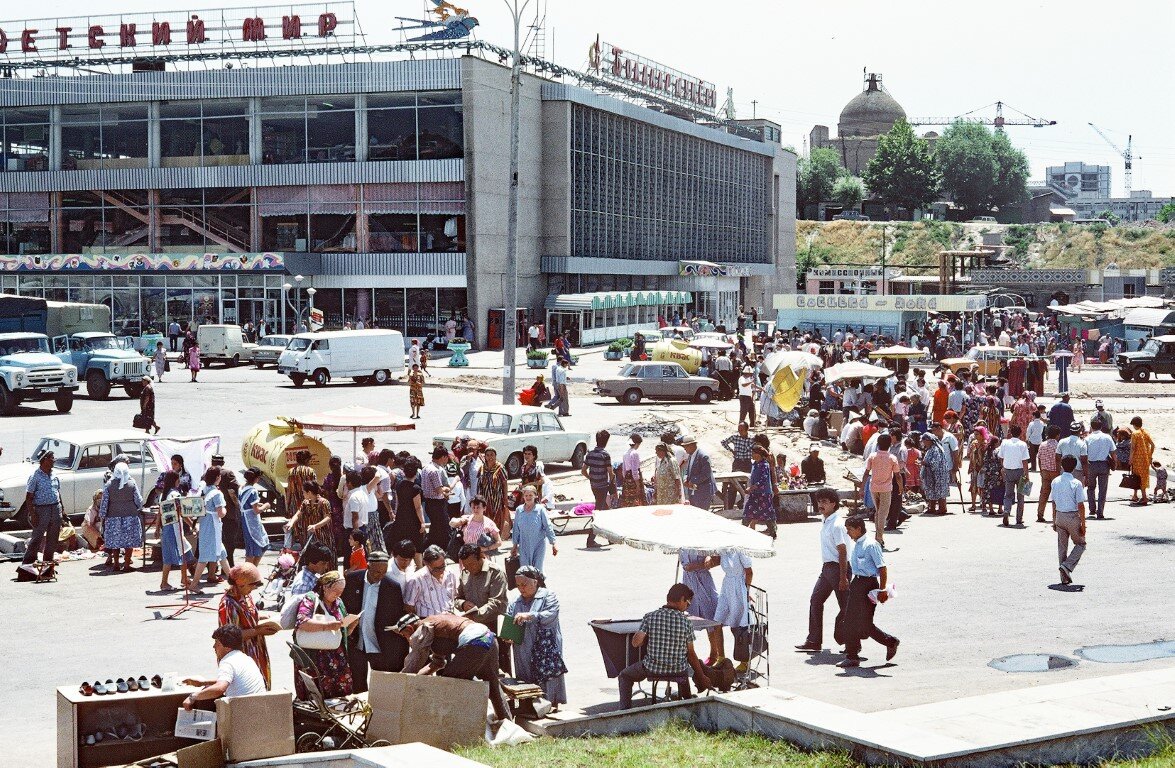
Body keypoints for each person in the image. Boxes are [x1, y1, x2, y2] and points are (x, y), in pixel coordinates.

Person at [393, 611, 512, 721]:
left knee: (450, 683)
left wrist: (401, 681)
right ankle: (508, 725)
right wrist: (415, 678)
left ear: (410, 628)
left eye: (405, 635)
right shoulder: (436, 624)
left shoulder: (423, 628)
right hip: (488, 637)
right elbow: (437, 664)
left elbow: (415, 660)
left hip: (475, 642)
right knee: (492, 685)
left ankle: (460, 724)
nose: (407, 639)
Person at [618, 584, 712, 709]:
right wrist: (701, 676)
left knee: (624, 676)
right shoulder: (686, 622)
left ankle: (624, 710)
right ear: (682, 599)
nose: (687, 606)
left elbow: (636, 643)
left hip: (652, 668)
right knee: (684, 672)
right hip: (678, 670)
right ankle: (687, 703)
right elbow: (691, 654)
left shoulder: (650, 617)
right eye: (688, 603)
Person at [341, 550, 409, 692]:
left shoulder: (392, 587)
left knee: (381, 686)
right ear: (368, 566)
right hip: (356, 643)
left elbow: (397, 615)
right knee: (358, 685)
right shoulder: (352, 580)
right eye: (377, 572)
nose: (380, 576)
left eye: (384, 573)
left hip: (379, 644)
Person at [836, 516, 899, 668]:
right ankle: (852, 656)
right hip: (857, 583)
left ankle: (890, 641)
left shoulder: (871, 545)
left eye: (850, 530)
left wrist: (882, 590)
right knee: (850, 620)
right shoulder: (856, 544)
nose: (848, 533)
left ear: (858, 529)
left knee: (864, 624)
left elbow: (882, 569)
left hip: (869, 585)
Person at [796, 488, 851, 653]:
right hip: (827, 569)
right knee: (815, 600)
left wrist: (843, 578)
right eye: (819, 501)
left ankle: (852, 644)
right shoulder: (826, 520)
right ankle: (814, 640)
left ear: (833, 504)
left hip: (839, 568)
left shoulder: (837, 524)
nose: (821, 505)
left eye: (825, 502)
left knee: (846, 606)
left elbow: (843, 551)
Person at [505, 567, 567, 709]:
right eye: (518, 585)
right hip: (523, 648)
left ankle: (552, 705)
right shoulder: (515, 603)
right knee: (526, 678)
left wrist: (531, 615)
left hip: (546, 646)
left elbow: (551, 615)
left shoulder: (548, 596)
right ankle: (529, 708)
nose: (521, 589)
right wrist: (508, 636)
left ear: (535, 582)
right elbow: (509, 622)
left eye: (524, 585)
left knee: (549, 679)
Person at [293, 570, 356, 699]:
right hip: (314, 658)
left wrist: (351, 626)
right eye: (335, 591)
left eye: (341, 591)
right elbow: (302, 622)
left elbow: (342, 631)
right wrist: (327, 626)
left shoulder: (339, 603)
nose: (338, 594)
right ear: (325, 587)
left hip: (336, 659)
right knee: (315, 694)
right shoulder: (311, 599)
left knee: (339, 697)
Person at [218, 563, 276, 689]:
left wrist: (260, 617)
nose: (254, 588)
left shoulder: (246, 596)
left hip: (256, 649)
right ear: (240, 584)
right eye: (252, 585)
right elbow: (229, 637)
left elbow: (246, 616)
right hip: (241, 654)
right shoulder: (228, 604)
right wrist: (257, 631)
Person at [181, 625, 266, 710]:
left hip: (243, 714)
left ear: (227, 647)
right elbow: (231, 680)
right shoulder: (245, 658)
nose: (214, 647)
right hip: (260, 709)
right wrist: (203, 683)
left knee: (204, 698)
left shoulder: (228, 662)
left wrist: (192, 697)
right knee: (207, 689)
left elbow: (220, 688)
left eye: (217, 643)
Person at [455, 543, 509, 671]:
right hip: (473, 627)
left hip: (494, 625)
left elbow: (496, 602)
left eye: (472, 564)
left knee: (499, 668)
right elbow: (456, 598)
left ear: (481, 556)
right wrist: (462, 604)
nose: (470, 569)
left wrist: (475, 615)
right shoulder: (465, 572)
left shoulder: (495, 572)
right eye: (466, 566)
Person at [712, 548, 753, 672]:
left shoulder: (741, 550)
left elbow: (749, 572)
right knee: (717, 622)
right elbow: (715, 561)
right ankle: (721, 657)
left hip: (739, 586)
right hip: (726, 586)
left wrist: (746, 590)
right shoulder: (723, 549)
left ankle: (745, 660)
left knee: (738, 626)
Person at [191, 468, 232, 591]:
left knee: (222, 554)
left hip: (205, 524)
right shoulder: (217, 493)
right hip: (212, 526)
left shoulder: (204, 489)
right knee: (204, 558)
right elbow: (221, 513)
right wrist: (225, 510)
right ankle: (193, 584)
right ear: (217, 478)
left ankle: (233, 583)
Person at [99, 461, 144, 572]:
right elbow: (138, 500)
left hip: (113, 517)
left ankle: (116, 564)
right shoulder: (132, 483)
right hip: (130, 516)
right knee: (129, 541)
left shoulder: (109, 485)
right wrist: (137, 507)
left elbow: (104, 502)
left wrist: (102, 516)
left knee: (116, 541)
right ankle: (127, 564)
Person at [678, 549, 720, 662]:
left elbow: (718, 560)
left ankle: (714, 653)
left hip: (703, 581)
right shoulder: (680, 540)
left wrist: (700, 564)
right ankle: (687, 655)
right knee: (687, 617)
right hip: (688, 581)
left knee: (710, 616)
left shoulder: (704, 539)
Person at [1052, 455, 1087, 585]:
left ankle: (1064, 576)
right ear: (1074, 467)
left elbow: (1053, 502)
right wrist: (1083, 524)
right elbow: (1081, 505)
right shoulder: (1076, 483)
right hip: (1072, 517)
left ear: (1061, 465)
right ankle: (1067, 566)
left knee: (1062, 547)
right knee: (1081, 544)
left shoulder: (1055, 481)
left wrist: (1053, 520)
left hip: (1059, 515)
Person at [155, 472, 192, 591]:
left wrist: (156, 528)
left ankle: (182, 579)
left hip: (166, 527)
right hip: (175, 528)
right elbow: (181, 512)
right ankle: (167, 582)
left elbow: (159, 513)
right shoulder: (175, 494)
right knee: (181, 553)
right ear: (175, 480)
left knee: (174, 555)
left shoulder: (164, 495)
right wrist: (192, 524)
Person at [387, 457, 427, 565]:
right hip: (413, 521)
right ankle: (419, 568)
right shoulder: (415, 488)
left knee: (398, 546)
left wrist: (395, 514)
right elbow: (418, 507)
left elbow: (398, 503)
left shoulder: (399, 484)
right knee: (417, 549)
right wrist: (422, 522)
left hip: (401, 518)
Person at [863, 435, 900, 547]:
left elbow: (866, 473)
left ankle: (878, 537)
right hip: (886, 489)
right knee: (882, 513)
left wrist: (861, 488)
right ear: (890, 444)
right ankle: (879, 538)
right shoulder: (892, 458)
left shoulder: (872, 456)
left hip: (873, 487)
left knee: (879, 512)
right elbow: (897, 475)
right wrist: (901, 487)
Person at [405, 545, 458, 618]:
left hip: (450, 620)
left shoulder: (450, 574)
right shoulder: (416, 580)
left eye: (443, 566)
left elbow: (453, 598)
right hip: (428, 623)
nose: (441, 571)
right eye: (436, 569)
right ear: (426, 564)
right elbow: (409, 607)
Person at [511, 486, 557, 570]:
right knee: (525, 570)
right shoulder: (519, 510)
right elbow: (516, 530)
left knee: (537, 570)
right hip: (523, 545)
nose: (528, 497)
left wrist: (553, 543)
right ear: (523, 497)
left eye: (530, 495)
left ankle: (539, 583)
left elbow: (548, 526)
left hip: (538, 545)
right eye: (526, 495)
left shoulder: (540, 509)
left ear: (535, 496)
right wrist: (514, 546)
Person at [582, 430, 614, 547]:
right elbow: (611, 473)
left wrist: (591, 478)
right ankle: (590, 539)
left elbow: (583, 470)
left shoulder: (590, 453)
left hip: (594, 486)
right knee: (599, 512)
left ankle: (611, 537)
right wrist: (612, 486)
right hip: (603, 486)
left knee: (605, 510)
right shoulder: (605, 455)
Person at [233, 468, 271, 567]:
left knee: (254, 547)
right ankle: (249, 573)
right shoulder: (253, 491)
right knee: (255, 548)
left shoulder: (242, 488)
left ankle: (252, 571)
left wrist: (258, 504)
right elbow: (256, 510)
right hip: (252, 522)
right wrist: (266, 505)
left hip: (245, 519)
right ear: (256, 479)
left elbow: (248, 504)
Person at [996, 424, 1031, 527]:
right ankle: (1019, 519)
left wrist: (1003, 467)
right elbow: (1024, 461)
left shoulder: (1004, 443)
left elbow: (1001, 457)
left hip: (1008, 470)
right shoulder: (1023, 444)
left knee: (1008, 494)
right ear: (1020, 433)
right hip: (1020, 471)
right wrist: (1027, 474)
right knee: (1021, 496)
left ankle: (1006, 511)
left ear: (1010, 432)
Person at [421, 446, 454, 552]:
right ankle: (444, 548)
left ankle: (431, 548)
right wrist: (447, 489)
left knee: (436, 527)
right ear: (443, 457)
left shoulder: (426, 468)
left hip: (429, 503)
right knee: (443, 527)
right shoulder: (435, 471)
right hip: (437, 503)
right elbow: (439, 489)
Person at [742, 444, 777, 539]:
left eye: (754, 453)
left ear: (759, 454)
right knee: (748, 512)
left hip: (764, 494)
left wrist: (752, 487)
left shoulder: (764, 465)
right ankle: (741, 531)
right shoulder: (754, 464)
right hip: (754, 494)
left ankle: (773, 532)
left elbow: (763, 479)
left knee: (767, 513)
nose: (752, 455)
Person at [287, 479, 331, 552]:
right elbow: (298, 514)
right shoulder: (305, 502)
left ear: (309, 492)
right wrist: (291, 523)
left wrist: (315, 526)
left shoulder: (324, 502)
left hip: (322, 536)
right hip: (309, 535)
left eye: (303, 492)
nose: (303, 494)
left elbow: (328, 517)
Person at [1085, 419, 1115, 520]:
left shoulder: (1088, 438)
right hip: (1104, 465)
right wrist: (1114, 463)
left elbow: (1084, 454)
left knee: (1091, 487)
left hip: (1091, 465)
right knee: (1103, 489)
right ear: (1101, 427)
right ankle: (1100, 512)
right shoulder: (1107, 437)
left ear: (1092, 427)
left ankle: (1092, 508)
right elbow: (1113, 452)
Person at [919, 432, 951, 516]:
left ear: (928, 440)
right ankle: (931, 508)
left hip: (939, 474)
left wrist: (925, 463)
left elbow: (935, 462)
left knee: (940, 491)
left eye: (924, 441)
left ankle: (942, 508)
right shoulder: (930, 449)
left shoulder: (936, 449)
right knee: (931, 490)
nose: (923, 443)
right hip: (931, 474)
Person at [681, 434, 716, 510]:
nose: (684, 449)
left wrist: (693, 481)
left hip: (703, 492)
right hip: (693, 492)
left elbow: (706, 474)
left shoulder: (703, 456)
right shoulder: (690, 455)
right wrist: (685, 479)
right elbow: (688, 470)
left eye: (685, 447)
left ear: (691, 445)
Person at [1129, 416, 1155, 506]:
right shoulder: (1145, 432)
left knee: (1136, 477)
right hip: (1145, 460)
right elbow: (1153, 445)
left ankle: (1144, 497)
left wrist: (1130, 459)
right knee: (1143, 477)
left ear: (1134, 424)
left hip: (1137, 459)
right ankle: (1135, 495)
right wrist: (1150, 456)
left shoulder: (1135, 434)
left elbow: (1132, 448)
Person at [285, 450, 317, 520]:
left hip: (295, 504)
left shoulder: (291, 472)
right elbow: (315, 489)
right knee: (308, 524)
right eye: (309, 460)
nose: (310, 462)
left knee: (296, 525)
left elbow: (289, 491)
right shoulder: (310, 471)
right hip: (308, 503)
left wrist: (287, 506)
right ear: (306, 460)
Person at [620, 433, 645, 507]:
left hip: (627, 478)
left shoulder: (625, 453)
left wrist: (625, 480)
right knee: (637, 497)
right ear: (637, 443)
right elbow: (635, 470)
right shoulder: (635, 453)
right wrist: (637, 484)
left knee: (628, 499)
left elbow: (623, 470)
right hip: (633, 478)